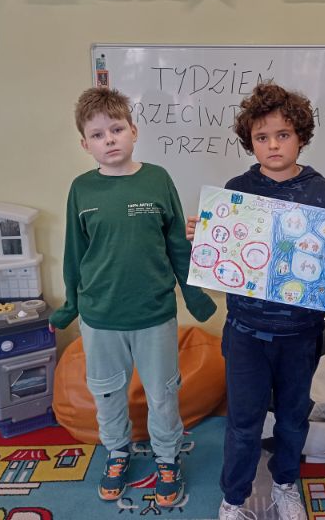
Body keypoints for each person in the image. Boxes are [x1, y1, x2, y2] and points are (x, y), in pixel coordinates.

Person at [186, 82, 325, 520]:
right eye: (262, 137)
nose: (273, 145)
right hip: (246, 333)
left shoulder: (321, 191)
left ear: (300, 136)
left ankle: (285, 485)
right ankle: (233, 498)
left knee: (292, 419)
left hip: (300, 336)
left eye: (282, 134)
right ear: (251, 142)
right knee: (243, 424)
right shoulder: (237, 189)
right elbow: (223, 263)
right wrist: (203, 240)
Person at [49, 87, 217, 506]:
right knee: (107, 394)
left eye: (116, 129)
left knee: (163, 394)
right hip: (100, 317)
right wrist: (70, 307)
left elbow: (177, 246)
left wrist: (195, 298)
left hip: (154, 314)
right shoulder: (81, 189)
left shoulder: (157, 179)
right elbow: (74, 254)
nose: (109, 139)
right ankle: (117, 452)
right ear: (85, 144)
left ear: (134, 131)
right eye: (98, 134)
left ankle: (167, 458)